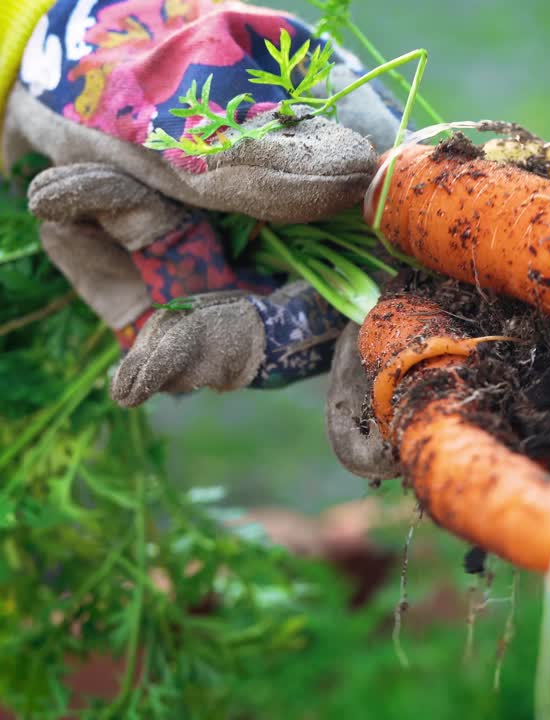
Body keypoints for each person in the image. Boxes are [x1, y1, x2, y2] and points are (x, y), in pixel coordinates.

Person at [1, 0, 398, 478]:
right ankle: (302, 311)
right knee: (178, 307)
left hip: (40, 39)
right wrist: (164, 241)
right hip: (24, 89)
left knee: (264, 154)